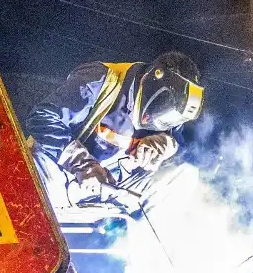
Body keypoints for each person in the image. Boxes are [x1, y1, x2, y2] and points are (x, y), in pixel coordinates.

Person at [21, 51, 203, 209]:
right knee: (38, 167)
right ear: (152, 81)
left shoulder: (171, 110)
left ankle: (135, 238)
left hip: (111, 184)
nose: (161, 122)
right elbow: (42, 117)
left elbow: (178, 139)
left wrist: (165, 144)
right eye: (163, 114)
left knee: (183, 175)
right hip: (62, 174)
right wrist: (82, 163)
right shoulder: (100, 79)